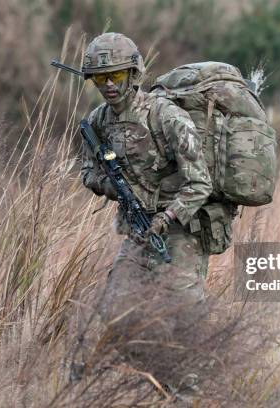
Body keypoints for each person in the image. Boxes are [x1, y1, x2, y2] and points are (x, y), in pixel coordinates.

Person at [79, 32, 235, 393]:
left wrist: (167, 218)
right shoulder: (98, 121)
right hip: (137, 227)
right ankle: (153, 381)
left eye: (115, 76)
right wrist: (112, 186)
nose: (108, 85)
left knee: (183, 313)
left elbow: (200, 183)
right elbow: (88, 172)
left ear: (133, 74)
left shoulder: (167, 117)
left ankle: (191, 391)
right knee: (116, 306)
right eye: (101, 78)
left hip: (181, 228)